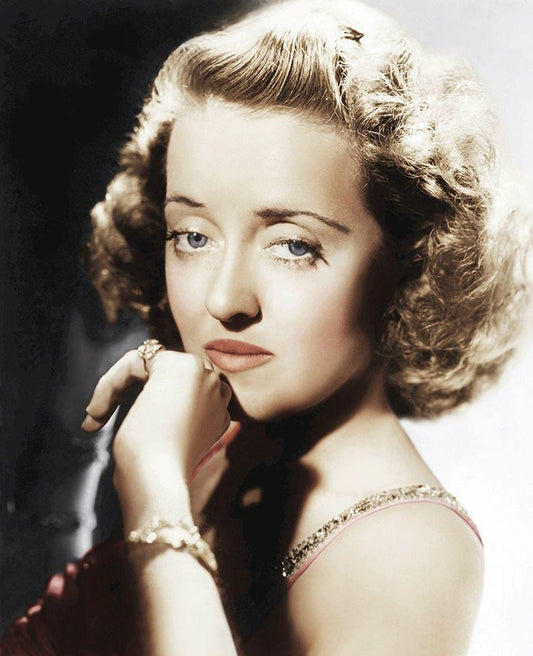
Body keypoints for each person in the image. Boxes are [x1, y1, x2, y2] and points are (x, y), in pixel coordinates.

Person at [3, 0, 530, 654]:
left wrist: (153, 487)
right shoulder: (214, 435)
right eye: (193, 236)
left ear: (412, 262)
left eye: (293, 246)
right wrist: (76, 448)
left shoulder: (408, 550)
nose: (224, 299)